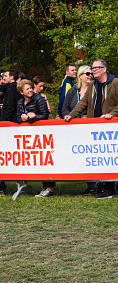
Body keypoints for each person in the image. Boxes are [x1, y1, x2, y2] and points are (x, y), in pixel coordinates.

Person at [64, 59, 118, 198]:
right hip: (95, 129)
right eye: (92, 68)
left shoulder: (115, 83)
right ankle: (106, 187)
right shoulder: (93, 85)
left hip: (112, 128)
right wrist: (71, 115)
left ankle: (111, 188)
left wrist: (111, 115)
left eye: (96, 68)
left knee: (113, 157)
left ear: (104, 69)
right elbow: (83, 102)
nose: (93, 70)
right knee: (103, 159)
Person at [15, 79, 53, 197]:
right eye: (27, 89)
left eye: (31, 88)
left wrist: (31, 118)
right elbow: (18, 118)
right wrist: (25, 117)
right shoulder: (20, 102)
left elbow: (45, 115)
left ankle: (48, 187)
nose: (30, 90)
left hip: (42, 134)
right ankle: (36, 185)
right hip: (27, 136)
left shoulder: (39, 99)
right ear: (21, 92)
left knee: (45, 159)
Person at [62, 65, 95, 195]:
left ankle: (101, 184)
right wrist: (69, 116)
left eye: (91, 73)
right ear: (80, 76)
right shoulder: (72, 91)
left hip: (91, 127)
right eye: (87, 73)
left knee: (93, 155)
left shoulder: (95, 89)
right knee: (82, 155)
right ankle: (90, 185)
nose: (90, 75)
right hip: (75, 128)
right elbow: (64, 108)